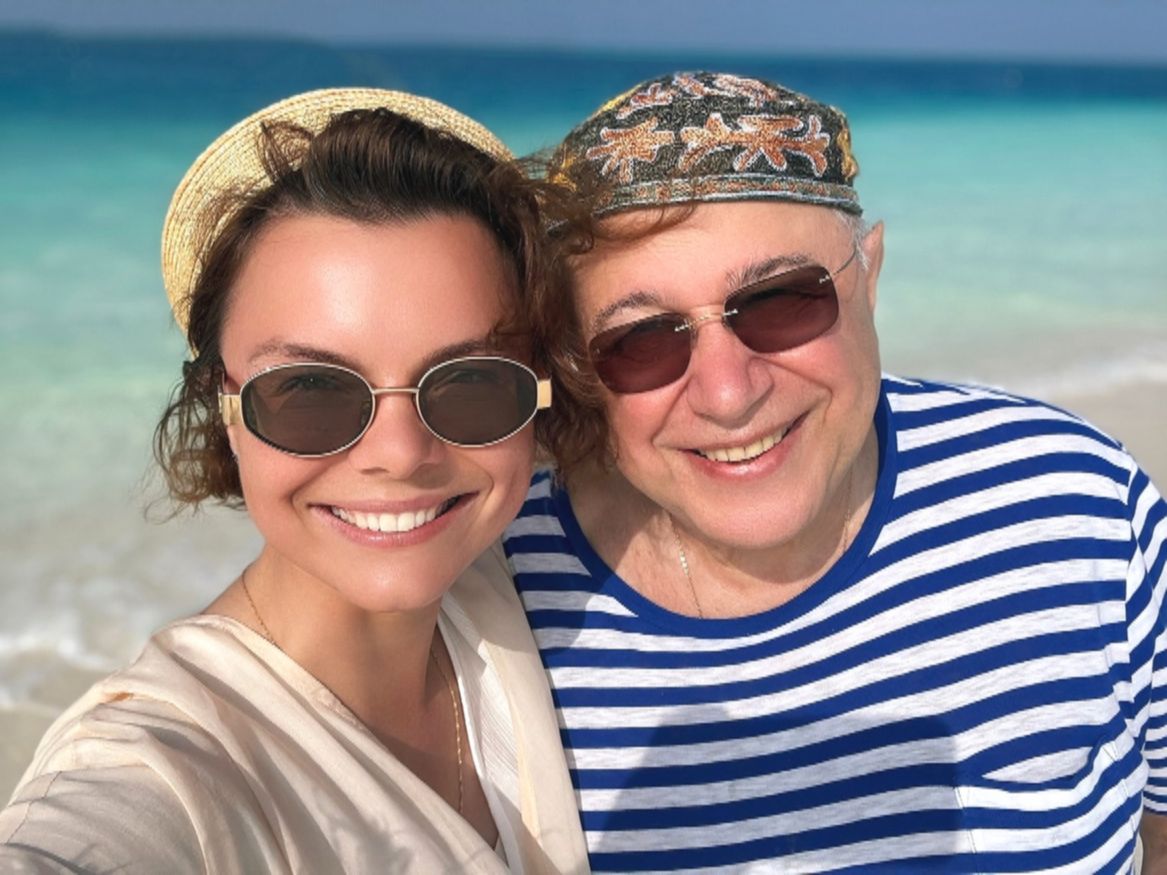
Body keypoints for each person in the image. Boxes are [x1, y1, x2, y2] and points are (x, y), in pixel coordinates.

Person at [504, 70, 1167, 871]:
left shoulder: (1072, 505)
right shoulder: (503, 603)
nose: (727, 393)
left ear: (869, 274)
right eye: (641, 340)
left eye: (780, 302)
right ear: (578, 366)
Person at [0, 88, 588, 874]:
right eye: (311, 389)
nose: (399, 452)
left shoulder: (523, 586)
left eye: (470, 382)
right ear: (226, 409)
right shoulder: (168, 763)